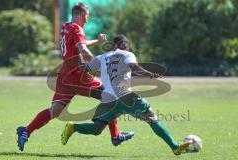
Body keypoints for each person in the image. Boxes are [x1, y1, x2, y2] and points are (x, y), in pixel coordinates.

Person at [16, 3, 134, 152]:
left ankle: (26, 131)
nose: (87, 21)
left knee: (55, 110)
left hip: (65, 75)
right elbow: (82, 48)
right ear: (83, 15)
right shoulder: (77, 28)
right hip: (78, 75)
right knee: (110, 96)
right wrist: (97, 63)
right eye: (87, 18)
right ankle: (115, 136)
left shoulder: (65, 27)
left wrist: (96, 41)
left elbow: (79, 44)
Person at [61, 35, 193, 155]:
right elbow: (134, 68)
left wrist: (77, 53)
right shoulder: (127, 54)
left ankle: (74, 127)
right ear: (124, 45)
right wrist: (150, 74)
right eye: (126, 44)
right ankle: (175, 146)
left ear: (113, 45)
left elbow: (84, 69)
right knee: (151, 117)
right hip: (125, 96)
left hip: (108, 99)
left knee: (97, 128)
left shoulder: (101, 57)